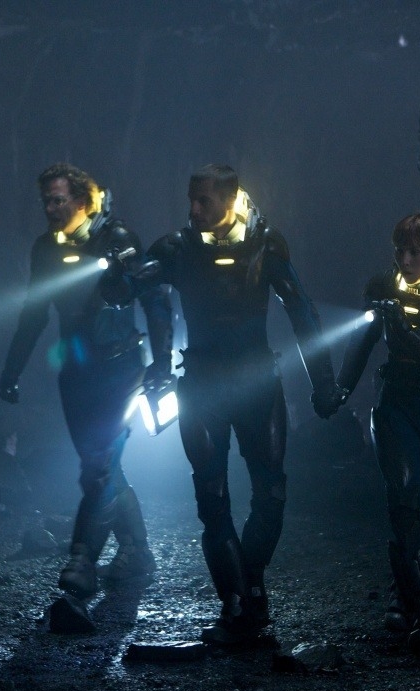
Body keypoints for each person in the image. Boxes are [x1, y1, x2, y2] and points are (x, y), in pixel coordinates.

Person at [104, 164, 335, 645]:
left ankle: (248, 585)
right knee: (212, 500)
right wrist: (116, 269)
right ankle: (236, 604)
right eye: (190, 199)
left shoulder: (266, 245)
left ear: (231, 199)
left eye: (203, 200)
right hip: (203, 387)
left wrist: (324, 383)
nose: (193, 209)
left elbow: (302, 310)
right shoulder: (177, 248)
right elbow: (125, 291)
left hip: (257, 383)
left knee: (271, 494)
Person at [0, 163, 173, 626]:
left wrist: (161, 365)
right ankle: (136, 551)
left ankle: (81, 565)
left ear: (82, 199)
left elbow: (155, 299)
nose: (50, 208)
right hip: (76, 373)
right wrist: (11, 371)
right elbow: (34, 313)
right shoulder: (46, 249)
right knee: (101, 466)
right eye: (46, 201)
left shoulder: (116, 239)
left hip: (120, 369)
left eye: (58, 200)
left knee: (98, 468)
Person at [316, 212, 420, 650]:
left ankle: (407, 593)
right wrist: (340, 390)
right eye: (400, 251)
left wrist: (406, 331)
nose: (405, 260)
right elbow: (362, 341)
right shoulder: (383, 289)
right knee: (405, 503)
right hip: (397, 406)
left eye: (416, 252)